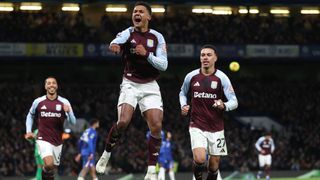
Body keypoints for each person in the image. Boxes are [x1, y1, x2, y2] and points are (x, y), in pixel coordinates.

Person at [95, 1, 168, 180]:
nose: (137, 14)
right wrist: (115, 46)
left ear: (149, 17)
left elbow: (164, 65)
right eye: (135, 11)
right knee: (123, 122)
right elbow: (115, 41)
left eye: (141, 12)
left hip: (150, 85)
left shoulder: (158, 37)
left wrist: (147, 54)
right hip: (130, 83)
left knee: (157, 126)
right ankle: (106, 153)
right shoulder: (128, 33)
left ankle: (151, 170)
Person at [179, 45, 238, 180]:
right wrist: (184, 105)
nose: (205, 57)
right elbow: (182, 92)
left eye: (209, 55)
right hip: (197, 124)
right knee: (200, 159)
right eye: (203, 55)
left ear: (215, 58)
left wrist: (224, 105)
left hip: (217, 128)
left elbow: (234, 101)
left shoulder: (222, 78)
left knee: (213, 167)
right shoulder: (191, 76)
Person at [25, 76, 76, 180]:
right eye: (48, 83)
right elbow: (30, 116)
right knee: (48, 164)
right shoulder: (38, 101)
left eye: (53, 83)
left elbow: (73, 122)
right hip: (43, 138)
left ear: (56, 86)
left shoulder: (64, 102)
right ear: (45, 86)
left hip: (57, 140)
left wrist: (69, 112)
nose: (51, 85)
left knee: (52, 168)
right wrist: (28, 131)